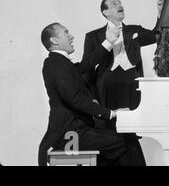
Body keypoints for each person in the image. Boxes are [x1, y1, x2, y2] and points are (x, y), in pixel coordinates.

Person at [39, 23, 146, 166]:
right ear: (54, 40)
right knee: (125, 143)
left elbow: (86, 65)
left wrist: (108, 42)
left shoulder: (60, 63)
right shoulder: (57, 63)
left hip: (78, 130)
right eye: (66, 33)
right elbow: (74, 98)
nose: (71, 36)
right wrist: (110, 113)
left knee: (122, 142)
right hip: (70, 133)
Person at [82, 0, 162, 164]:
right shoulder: (93, 36)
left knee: (129, 132)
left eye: (119, 2)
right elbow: (86, 69)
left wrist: (161, 12)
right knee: (108, 129)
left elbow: (157, 35)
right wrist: (92, 98)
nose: (119, 5)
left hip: (131, 87)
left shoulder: (134, 30)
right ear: (105, 12)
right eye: (113, 4)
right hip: (106, 89)